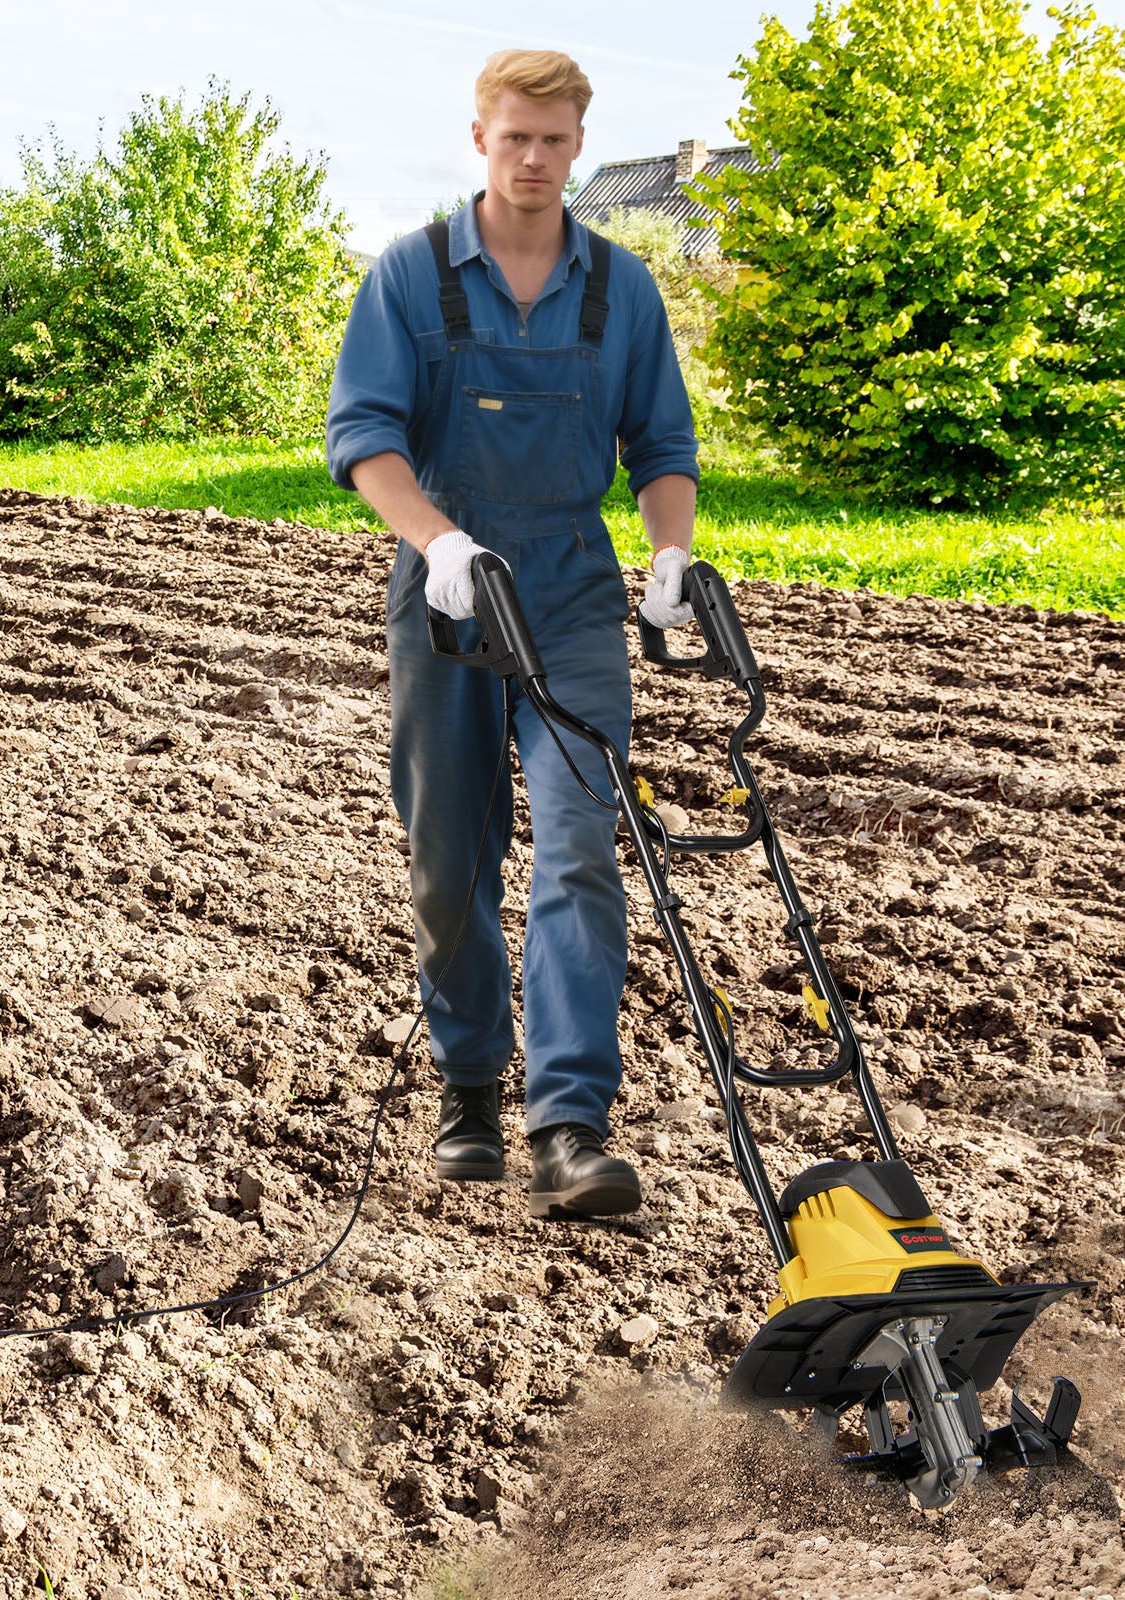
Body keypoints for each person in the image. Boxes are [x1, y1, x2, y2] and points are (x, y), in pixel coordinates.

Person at [325, 49, 699, 1219]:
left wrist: (670, 557)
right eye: (513, 139)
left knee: (583, 840)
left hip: (573, 586)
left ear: (580, 146)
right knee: (450, 860)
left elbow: (662, 448)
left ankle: (569, 1121)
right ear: (478, 140)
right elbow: (366, 440)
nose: (534, 160)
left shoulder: (620, 288)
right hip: (445, 588)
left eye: (554, 140)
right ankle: (468, 1084)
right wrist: (438, 542)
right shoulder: (413, 274)